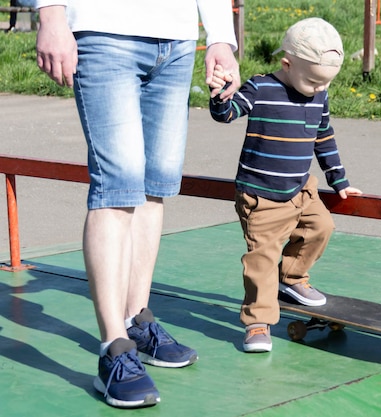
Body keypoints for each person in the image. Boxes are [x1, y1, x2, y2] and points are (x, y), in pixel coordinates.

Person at [34, 0, 241, 409]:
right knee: (117, 185)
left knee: (154, 185)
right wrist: (51, 14)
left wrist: (220, 35)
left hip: (177, 39)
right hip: (104, 30)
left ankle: (136, 320)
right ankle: (114, 348)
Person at [209, 17, 362, 354]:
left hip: (301, 189)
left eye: (326, 84)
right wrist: (221, 95)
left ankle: (291, 279)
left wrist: (340, 180)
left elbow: (324, 138)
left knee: (322, 227)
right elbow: (228, 113)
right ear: (286, 64)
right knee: (261, 259)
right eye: (313, 82)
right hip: (261, 195)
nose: (319, 90)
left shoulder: (319, 97)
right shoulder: (261, 88)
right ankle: (257, 323)